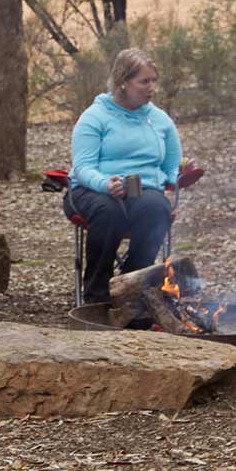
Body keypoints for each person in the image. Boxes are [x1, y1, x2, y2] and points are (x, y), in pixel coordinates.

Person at [66, 48, 183, 304]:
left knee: (156, 208)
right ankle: (97, 295)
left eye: (154, 80)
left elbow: (172, 165)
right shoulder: (94, 117)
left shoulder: (160, 119)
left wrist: (180, 174)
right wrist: (105, 184)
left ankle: (132, 287)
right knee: (110, 212)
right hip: (92, 190)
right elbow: (83, 167)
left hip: (143, 190)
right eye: (144, 81)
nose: (151, 87)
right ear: (123, 82)